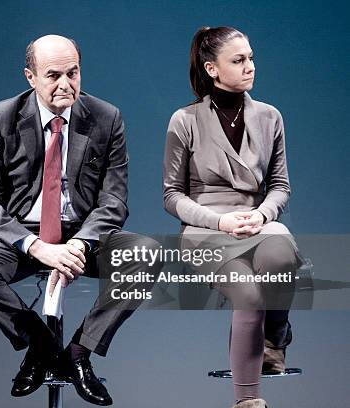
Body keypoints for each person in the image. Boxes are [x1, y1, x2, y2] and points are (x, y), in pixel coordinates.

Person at [0, 34, 160, 406]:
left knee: (147, 254)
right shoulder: (0, 118)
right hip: (22, 237)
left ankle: (79, 353)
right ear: (29, 77)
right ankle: (41, 345)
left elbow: (114, 200)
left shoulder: (106, 117)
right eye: (53, 76)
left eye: (73, 72)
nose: (66, 84)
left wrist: (80, 242)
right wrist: (37, 247)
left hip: (82, 235)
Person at [163, 26, 299, 408]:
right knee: (249, 292)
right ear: (212, 68)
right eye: (238, 60)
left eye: (251, 57)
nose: (249, 66)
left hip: (257, 220)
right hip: (205, 229)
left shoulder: (270, 116)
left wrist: (261, 214)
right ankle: (247, 401)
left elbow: (280, 185)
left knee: (280, 253)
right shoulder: (185, 120)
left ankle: (275, 335)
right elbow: (172, 196)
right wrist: (219, 221)